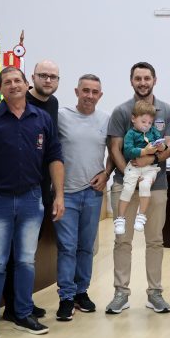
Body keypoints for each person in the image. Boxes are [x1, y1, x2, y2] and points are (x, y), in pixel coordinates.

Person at [0, 67, 65, 338]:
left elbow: (55, 157)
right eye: (7, 82)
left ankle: (23, 314)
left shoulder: (42, 119)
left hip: (31, 199)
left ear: (27, 85)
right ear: (0, 89)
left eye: (18, 80)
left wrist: (59, 195)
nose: (13, 85)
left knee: (26, 261)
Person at [105, 62, 170, 315]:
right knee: (122, 240)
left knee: (155, 240)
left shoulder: (166, 111)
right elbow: (114, 148)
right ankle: (120, 293)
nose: (143, 82)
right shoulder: (121, 111)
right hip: (124, 184)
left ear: (154, 80)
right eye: (138, 78)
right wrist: (131, 175)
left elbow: (169, 147)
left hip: (155, 186)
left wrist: (152, 161)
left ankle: (155, 293)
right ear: (131, 80)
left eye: (147, 78)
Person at [0, 59, 60, 321]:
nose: (48, 81)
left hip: (39, 189)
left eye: (53, 77)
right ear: (31, 79)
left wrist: (57, 192)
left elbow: (52, 150)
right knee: (9, 254)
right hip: (9, 192)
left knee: (27, 252)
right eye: (43, 76)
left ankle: (22, 301)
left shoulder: (52, 105)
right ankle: (12, 306)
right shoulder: (18, 103)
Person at [54, 74, 111, 321]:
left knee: (86, 247)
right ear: (76, 92)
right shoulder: (61, 116)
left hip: (93, 193)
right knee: (67, 247)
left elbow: (116, 151)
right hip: (66, 193)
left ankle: (81, 292)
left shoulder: (106, 119)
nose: (89, 95)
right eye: (85, 90)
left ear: (100, 95)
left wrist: (106, 174)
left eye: (94, 91)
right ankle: (66, 297)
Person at [113, 101, 164, 235]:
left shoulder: (153, 131)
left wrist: (161, 147)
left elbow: (162, 145)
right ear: (133, 119)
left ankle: (141, 216)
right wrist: (144, 152)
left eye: (150, 122)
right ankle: (120, 218)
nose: (147, 125)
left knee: (145, 186)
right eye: (143, 121)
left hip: (150, 168)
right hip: (134, 166)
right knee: (128, 188)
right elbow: (128, 151)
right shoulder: (130, 134)